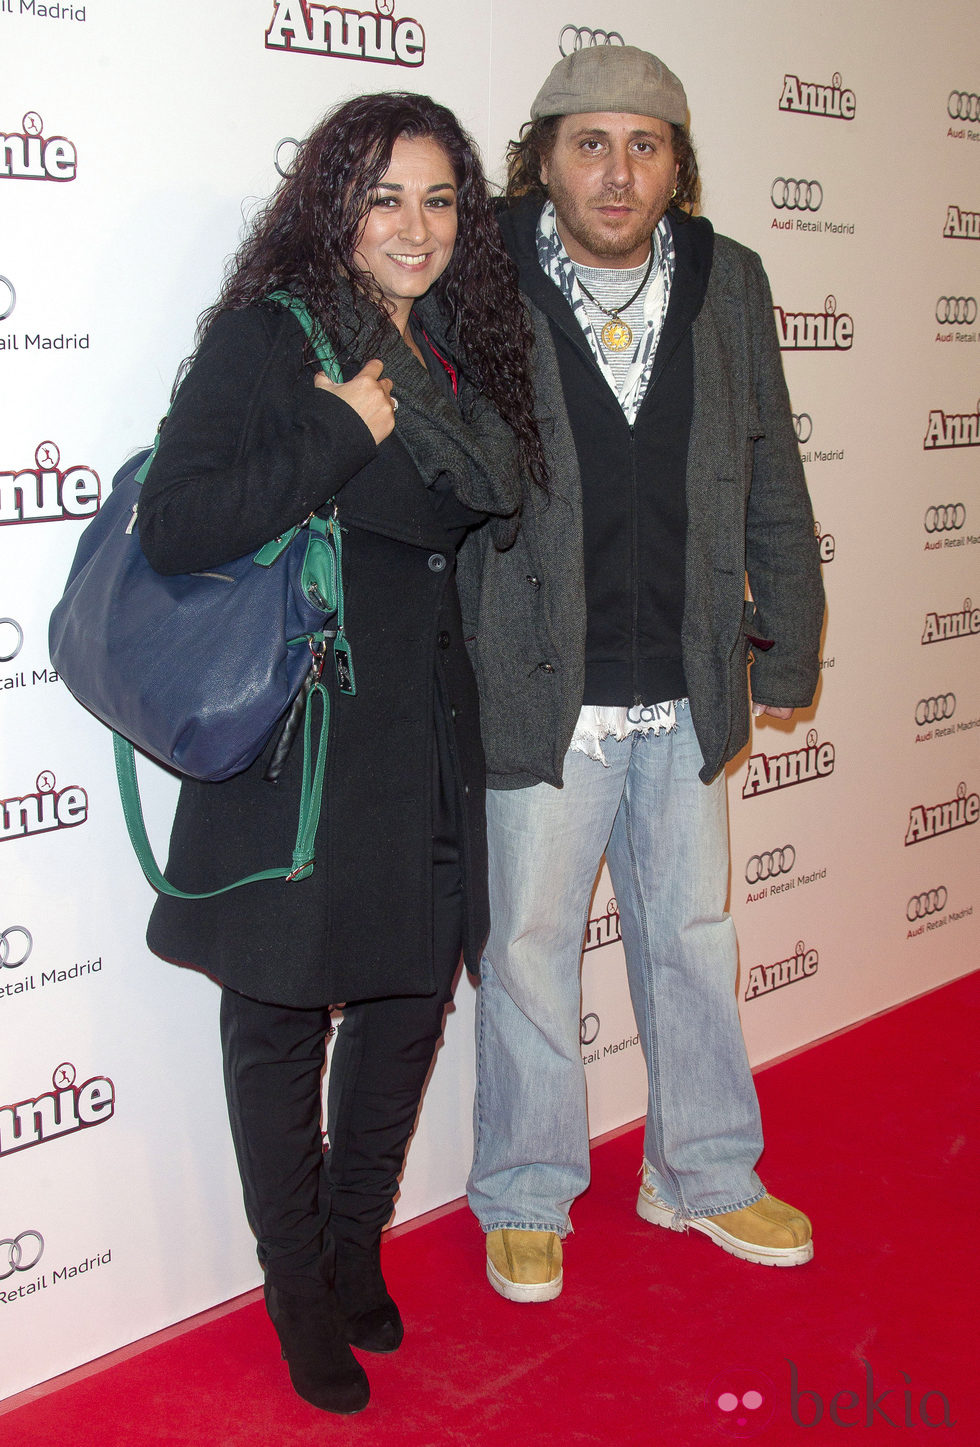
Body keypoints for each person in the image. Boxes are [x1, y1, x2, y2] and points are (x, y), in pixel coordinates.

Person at [137, 92, 545, 1412]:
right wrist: (334, 431)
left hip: (422, 729)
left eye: (439, 200)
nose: (414, 227)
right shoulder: (276, 337)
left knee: (405, 997)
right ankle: (298, 1283)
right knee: (275, 1016)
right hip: (300, 744)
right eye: (384, 197)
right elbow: (177, 522)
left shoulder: (456, 366)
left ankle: (356, 1240)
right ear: (333, 206)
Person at [458, 44, 825, 1302]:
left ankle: (704, 1170)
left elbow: (769, 463)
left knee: (689, 937)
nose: (616, 173)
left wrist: (790, 627)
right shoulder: (477, 274)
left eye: (644, 144)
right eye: (589, 143)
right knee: (525, 950)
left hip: (681, 677)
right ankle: (523, 1191)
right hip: (536, 682)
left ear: (676, 163)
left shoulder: (730, 281)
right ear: (544, 155)